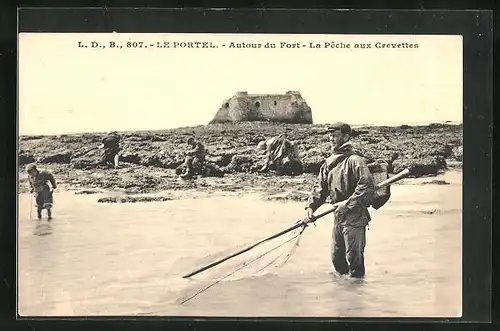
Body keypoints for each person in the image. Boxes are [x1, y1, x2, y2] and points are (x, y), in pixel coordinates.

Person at [304, 122, 375, 278]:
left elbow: (367, 185)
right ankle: (342, 295)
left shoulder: (355, 160)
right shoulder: (329, 162)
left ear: (346, 137)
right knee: (337, 260)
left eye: (335, 135)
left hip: (355, 217)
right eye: (330, 135)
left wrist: (347, 204)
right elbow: (320, 187)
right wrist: (310, 207)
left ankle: (356, 298)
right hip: (338, 217)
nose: (331, 138)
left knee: (355, 263)